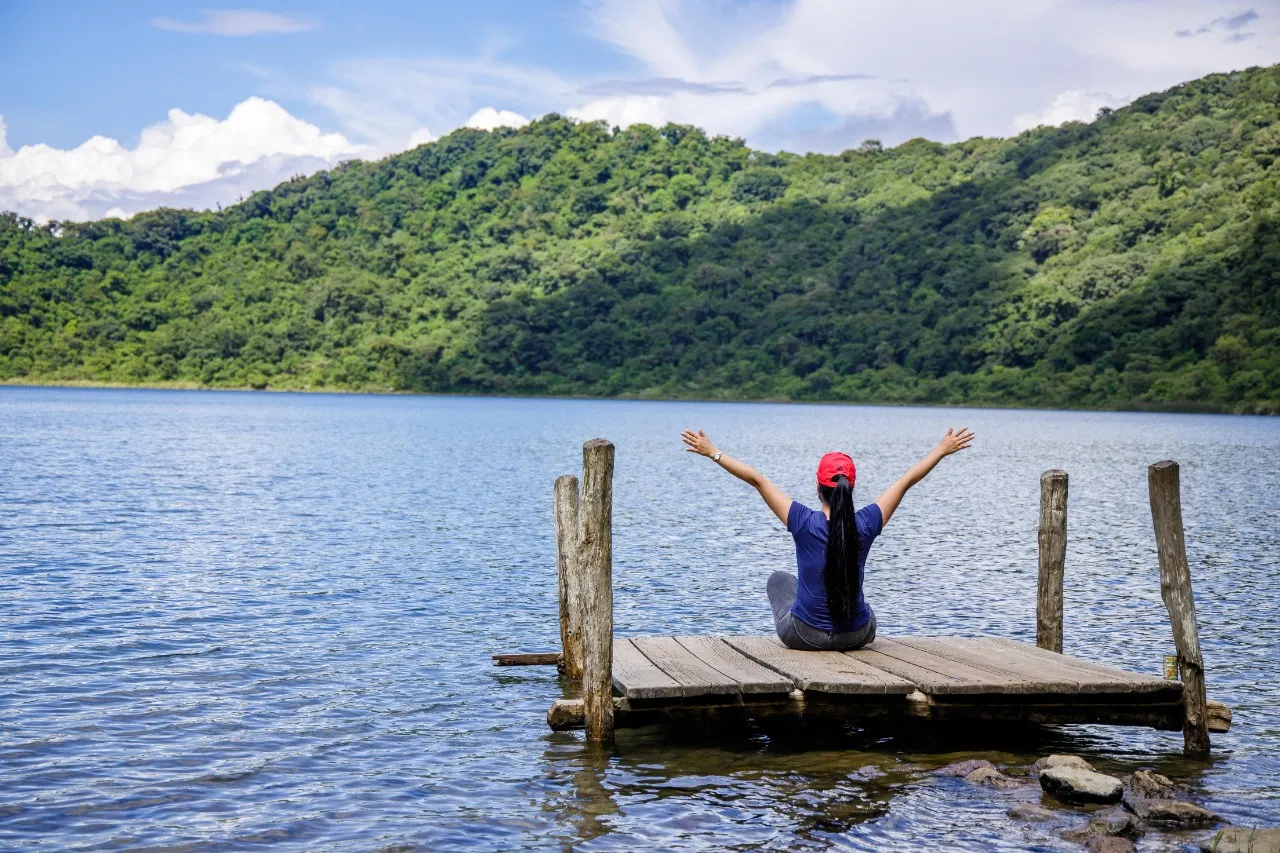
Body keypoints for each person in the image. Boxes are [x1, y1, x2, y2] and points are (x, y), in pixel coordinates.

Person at [679, 426, 975, 651]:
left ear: (818, 487)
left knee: (780, 581)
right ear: (852, 486)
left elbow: (758, 480)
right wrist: (940, 450)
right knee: (861, 602)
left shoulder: (802, 521)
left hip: (805, 636)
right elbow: (904, 482)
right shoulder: (867, 522)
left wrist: (712, 451)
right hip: (856, 635)